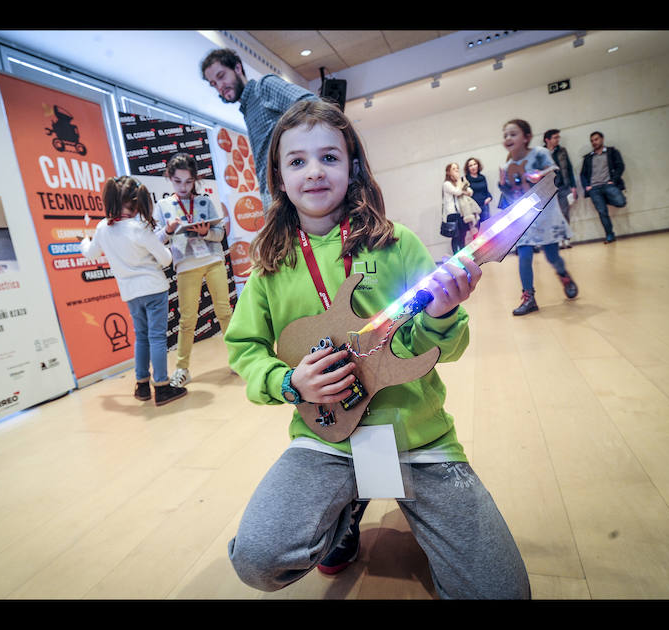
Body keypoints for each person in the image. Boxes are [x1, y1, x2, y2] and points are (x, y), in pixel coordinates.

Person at [223, 99, 530, 598]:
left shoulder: (398, 243)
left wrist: (440, 314)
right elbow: (245, 348)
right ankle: (342, 511)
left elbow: (447, 350)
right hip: (326, 436)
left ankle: (375, 503)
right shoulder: (269, 267)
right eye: (297, 161)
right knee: (256, 561)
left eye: (329, 157)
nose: (314, 171)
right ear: (278, 177)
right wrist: (288, 382)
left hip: (417, 435)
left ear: (353, 166)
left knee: (502, 593)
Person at [80, 176, 187, 406]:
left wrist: (84, 241)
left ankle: (142, 386)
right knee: (157, 337)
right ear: (136, 202)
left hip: (130, 293)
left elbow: (89, 253)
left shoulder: (102, 228)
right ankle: (162, 387)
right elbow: (166, 259)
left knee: (141, 337)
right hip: (154, 289)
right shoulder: (140, 228)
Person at [200, 48, 317, 210]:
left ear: (237, 68)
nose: (220, 86)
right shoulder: (247, 109)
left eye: (221, 76)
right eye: (213, 84)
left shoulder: (263, 87)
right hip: (273, 197)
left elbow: (313, 105)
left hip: (288, 194)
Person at [154, 153, 234, 388]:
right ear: (169, 178)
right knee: (187, 319)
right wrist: (168, 231)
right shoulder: (163, 206)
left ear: (195, 180)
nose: (183, 187)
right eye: (178, 181)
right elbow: (156, 241)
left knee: (225, 312)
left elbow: (220, 234)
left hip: (213, 260)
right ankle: (182, 368)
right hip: (186, 265)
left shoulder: (204, 202)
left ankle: (239, 359)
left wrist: (205, 232)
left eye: (188, 181)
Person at [499, 119, 578, 316]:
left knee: (552, 256)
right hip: (525, 218)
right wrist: (503, 185)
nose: (508, 138)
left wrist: (540, 175)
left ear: (526, 137)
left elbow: (555, 173)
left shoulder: (540, 153)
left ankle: (564, 275)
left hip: (546, 214)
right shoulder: (507, 166)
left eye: (513, 134)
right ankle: (529, 298)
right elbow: (512, 195)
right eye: (505, 135)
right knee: (524, 255)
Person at [580, 131, 626, 244]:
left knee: (621, 202)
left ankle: (604, 199)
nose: (594, 142)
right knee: (602, 212)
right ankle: (609, 235)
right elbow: (583, 174)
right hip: (594, 189)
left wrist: (613, 180)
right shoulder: (588, 157)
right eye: (592, 141)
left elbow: (620, 166)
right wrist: (587, 186)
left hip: (608, 185)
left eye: (596, 139)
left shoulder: (612, 152)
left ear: (602, 139)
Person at [543, 129, 577, 248]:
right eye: (555, 137)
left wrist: (573, 186)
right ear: (547, 140)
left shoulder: (562, 151)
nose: (558, 139)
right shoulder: (541, 153)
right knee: (553, 215)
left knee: (564, 212)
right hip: (549, 189)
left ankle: (566, 239)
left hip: (563, 186)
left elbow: (569, 168)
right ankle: (557, 239)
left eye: (558, 137)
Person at [442, 162, 478, 253]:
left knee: (463, 235)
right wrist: (459, 181)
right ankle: (456, 255)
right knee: (456, 236)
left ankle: (462, 254)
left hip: (461, 213)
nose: (457, 170)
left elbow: (470, 192)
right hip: (452, 213)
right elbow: (457, 192)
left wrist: (461, 185)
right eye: (454, 169)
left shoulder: (459, 182)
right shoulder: (447, 184)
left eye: (457, 168)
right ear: (449, 172)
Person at [464, 157, 493, 225]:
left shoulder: (482, 177)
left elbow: (486, 191)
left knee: (486, 225)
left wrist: (489, 197)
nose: (473, 167)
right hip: (473, 208)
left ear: (478, 165)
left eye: (475, 164)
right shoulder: (465, 179)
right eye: (470, 165)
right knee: (476, 227)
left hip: (484, 205)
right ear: (468, 168)